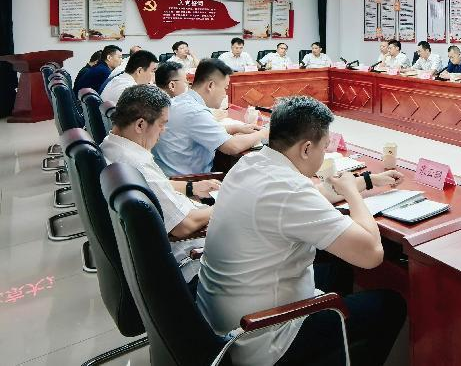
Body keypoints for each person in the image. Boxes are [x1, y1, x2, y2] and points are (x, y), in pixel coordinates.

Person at [196, 96, 406, 366]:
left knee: (338, 269)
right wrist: (353, 195)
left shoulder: (250, 165)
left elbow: (307, 199)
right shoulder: (290, 190)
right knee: (389, 305)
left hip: (220, 321)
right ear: (306, 148)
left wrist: (365, 181)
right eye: (324, 147)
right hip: (262, 336)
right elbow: (371, 254)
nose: (324, 154)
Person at [100, 85, 220, 281]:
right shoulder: (136, 163)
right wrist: (227, 204)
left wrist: (192, 187)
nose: (163, 131)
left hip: (178, 228)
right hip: (189, 253)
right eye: (162, 124)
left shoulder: (111, 144)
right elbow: (184, 225)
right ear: (140, 125)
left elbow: (153, 186)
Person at [153, 59, 266, 176]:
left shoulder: (180, 101)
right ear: (211, 85)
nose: (225, 94)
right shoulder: (196, 111)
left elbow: (197, 130)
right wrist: (264, 133)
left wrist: (237, 128)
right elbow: (232, 146)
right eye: (225, 88)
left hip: (168, 175)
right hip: (188, 181)